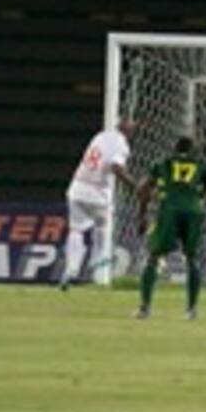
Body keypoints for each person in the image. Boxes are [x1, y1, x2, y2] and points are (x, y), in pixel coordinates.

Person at [135, 136, 206, 321]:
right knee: (192, 258)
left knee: (154, 256)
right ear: (193, 150)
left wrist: (142, 215)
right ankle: (192, 310)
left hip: (169, 209)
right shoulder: (202, 165)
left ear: (174, 148)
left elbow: (142, 188)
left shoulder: (162, 163)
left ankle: (145, 308)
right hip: (195, 211)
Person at [61, 119, 137, 289]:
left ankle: (71, 270)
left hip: (77, 187)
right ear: (127, 131)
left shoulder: (100, 136)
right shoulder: (121, 145)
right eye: (132, 129)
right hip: (98, 192)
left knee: (76, 230)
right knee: (103, 224)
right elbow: (117, 167)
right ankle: (97, 258)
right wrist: (135, 186)